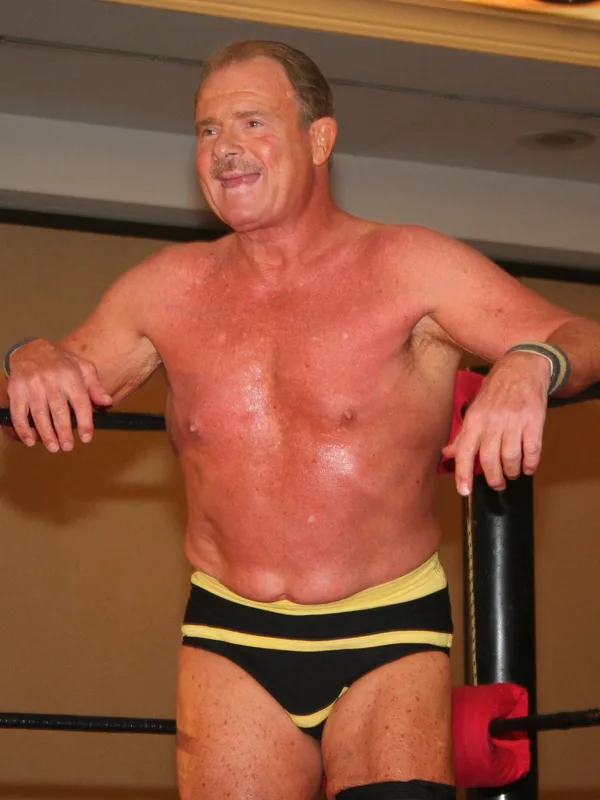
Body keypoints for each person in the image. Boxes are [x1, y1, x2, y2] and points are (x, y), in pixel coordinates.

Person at [1, 39, 600, 800]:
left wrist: (530, 365)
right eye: (208, 129)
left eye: (251, 122)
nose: (224, 148)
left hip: (387, 629)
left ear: (319, 140)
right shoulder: (165, 290)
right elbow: (43, 390)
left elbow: (581, 335)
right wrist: (27, 355)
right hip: (230, 635)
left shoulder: (409, 266)